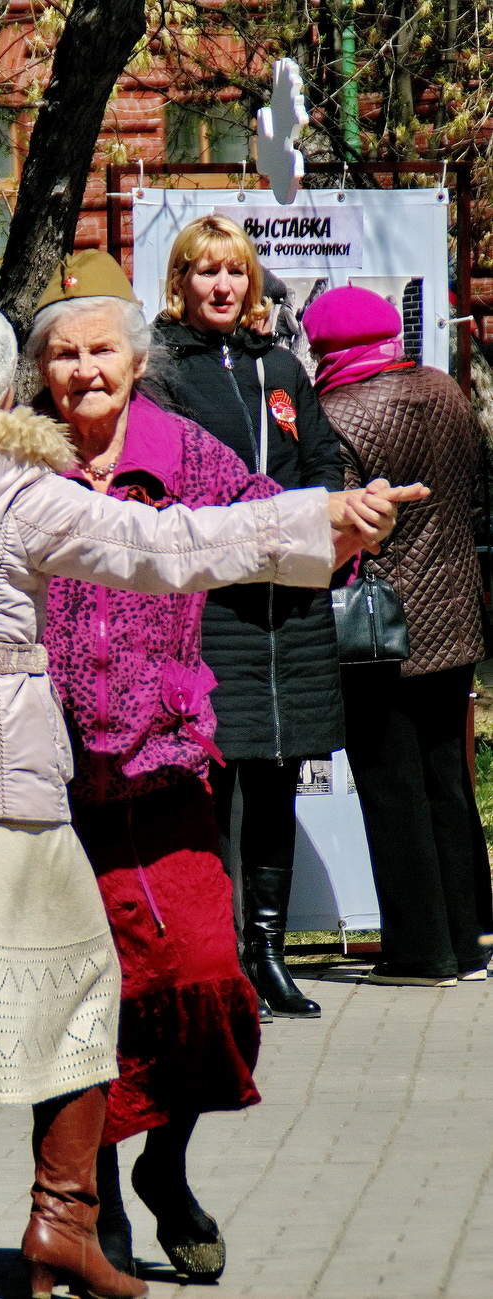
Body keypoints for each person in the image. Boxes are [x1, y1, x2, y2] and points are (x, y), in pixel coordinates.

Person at [0, 292, 414, 1299]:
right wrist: (324, 516)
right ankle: (64, 1226)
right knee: (83, 991)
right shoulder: (20, 489)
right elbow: (175, 551)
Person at [23, 251, 274, 1281]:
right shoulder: (16, 460)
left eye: (102, 351)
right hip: (38, 777)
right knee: (75, 1002)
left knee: (207, 978)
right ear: (41, 371)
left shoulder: (184, 452)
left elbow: (268, 521)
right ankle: (85, 1215)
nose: (85, 370)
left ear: (136, 358)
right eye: (65, 355)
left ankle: (163, 1168)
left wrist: (339, 526)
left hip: (168, 764)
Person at [152, 213, 345, 1019]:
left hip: (289, 612)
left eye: (235, 272)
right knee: (217, 785)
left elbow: (324, 460)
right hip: (215, 611)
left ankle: (266, 950)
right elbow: (160, 485)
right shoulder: (162, 372)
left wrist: (323, 516)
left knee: (277, 780)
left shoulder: (281, 366)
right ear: (181, 283)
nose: (223, 286)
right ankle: (219, 953)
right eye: (206, 272)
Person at [304, 286, 492, 986]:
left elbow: (347, 529)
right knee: (447, 778)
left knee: (390, 787)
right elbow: (474, 491)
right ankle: (469, 939)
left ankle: (419, 952)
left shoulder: (331, 412)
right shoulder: (444, 390)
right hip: (453, 616)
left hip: (376, 630)